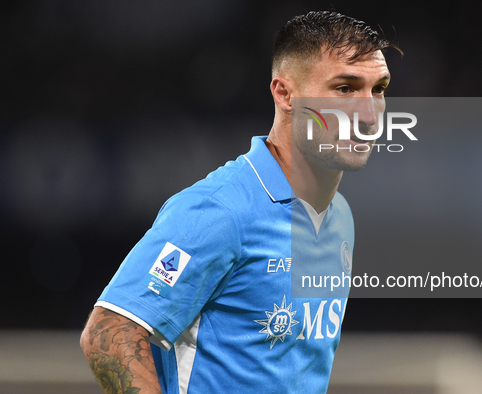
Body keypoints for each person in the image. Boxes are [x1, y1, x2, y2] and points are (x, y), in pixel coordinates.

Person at [80, 10, 398, 394]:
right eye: (345, 89)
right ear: (285, 94)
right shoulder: (221, 210)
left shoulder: (339, 216)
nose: (368, 112)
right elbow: (108, 332)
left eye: (378, 89)